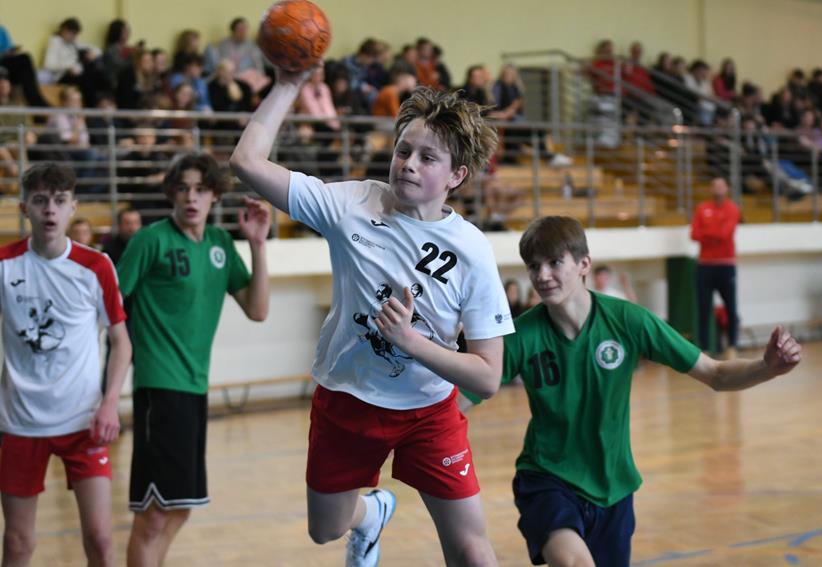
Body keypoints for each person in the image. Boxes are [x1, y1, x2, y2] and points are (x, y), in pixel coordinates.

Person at [231, 69, 514, 566]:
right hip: (348, 398)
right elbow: (246, 163)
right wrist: (289, 85)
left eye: (427, 157)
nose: (408, 164)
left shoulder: (472, 250)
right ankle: (371, 514)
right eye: (403, 150)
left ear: (456, 176)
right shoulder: (351, 204)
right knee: (325, 529)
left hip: (429, 411)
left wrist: (411, 342)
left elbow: (488, 377)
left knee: (471, 548)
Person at [463, 215, 802, 567]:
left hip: (614, 489)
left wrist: (767, 367)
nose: (542, 275)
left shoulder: (627, 320)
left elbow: (714, 373)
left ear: (584, 264)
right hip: (547, 478)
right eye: (534, 266)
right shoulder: (520, 336)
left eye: (554, 262)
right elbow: (461, 400)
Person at [118, 152, 270, 567]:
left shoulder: (220, 244)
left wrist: (258, 245)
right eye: (183, 188)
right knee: (154, 515)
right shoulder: (150, 240)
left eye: (201, 189)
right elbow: (108, 305)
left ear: (215, 195)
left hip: (194, 388)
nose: (191, 197)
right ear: (171, 193)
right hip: (158, 387)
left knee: (178, 508)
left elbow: (257, 310)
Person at [0, 163, 132, 566]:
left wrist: (110, 402)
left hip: (83, 421)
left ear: (73, 207)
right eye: (40, 201)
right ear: (24, 207)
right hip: (19, 423)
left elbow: (121, 342)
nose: (50, 210)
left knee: (101, 541)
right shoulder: (4, 264)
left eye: (59, 201)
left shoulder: (97, 266)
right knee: (18, 543)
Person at [690, 177, 741, 356]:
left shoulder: (732, 209)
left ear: (727, 188)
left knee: (731, 307)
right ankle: (704, 348)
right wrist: (714, 232)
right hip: (705, 265)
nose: (718, 188)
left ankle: (732, 346)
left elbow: (725, 234)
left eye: (721, 185)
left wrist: (707, 232)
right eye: (715, 185)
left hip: (726, 265)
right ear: (711, 188)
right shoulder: (702, 208)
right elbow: (694, 234)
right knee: (704, 308)